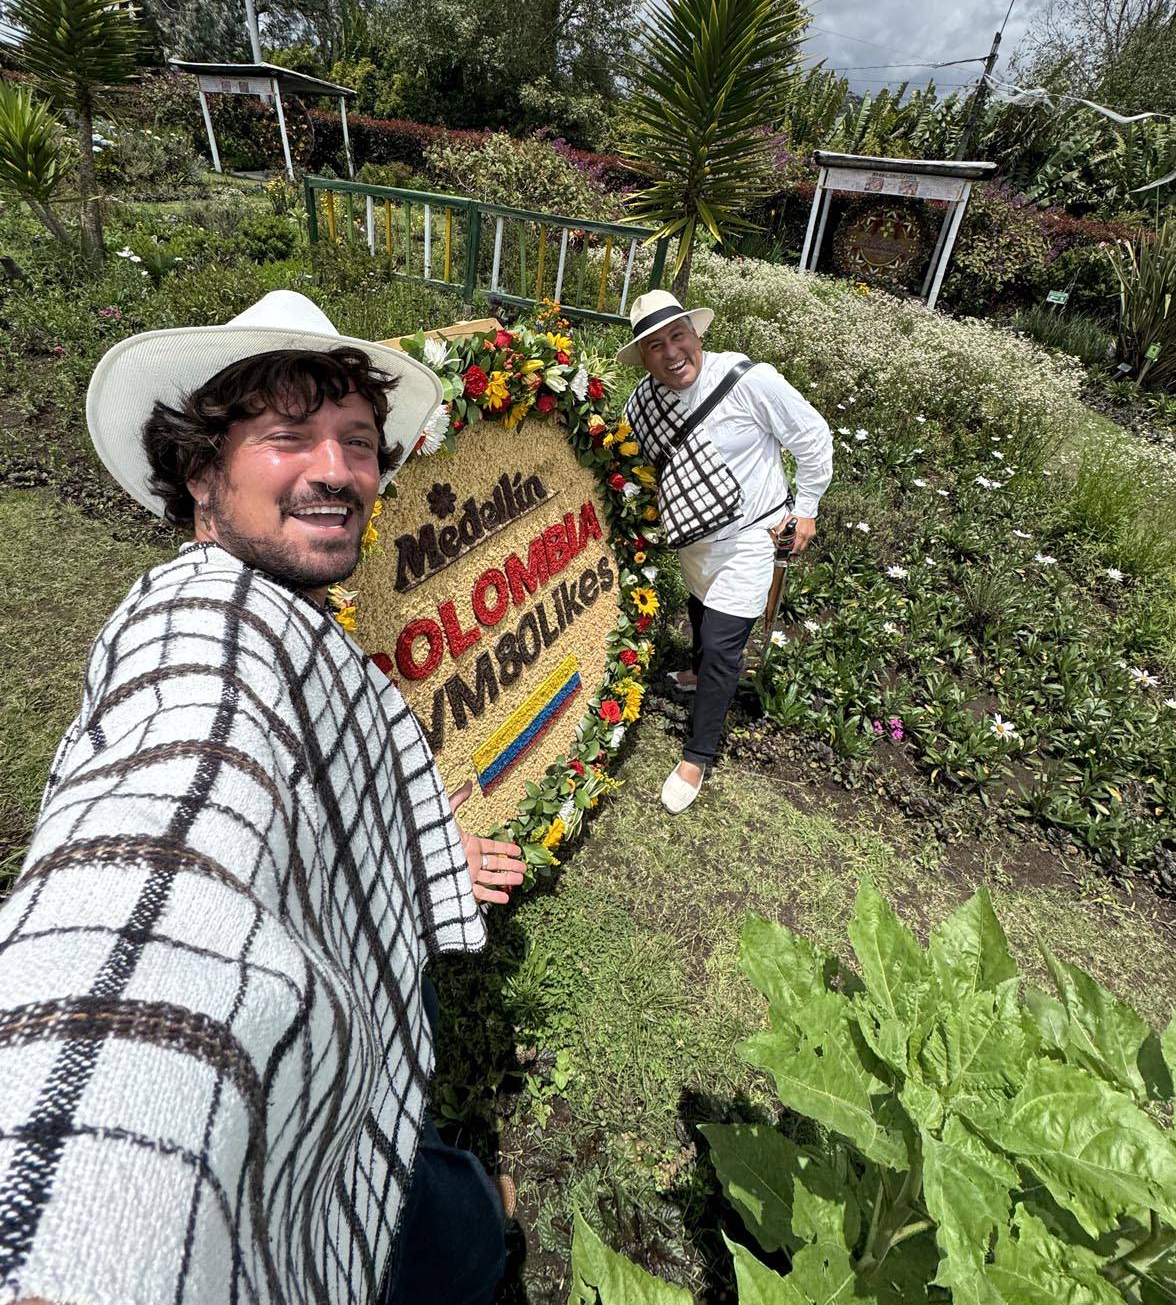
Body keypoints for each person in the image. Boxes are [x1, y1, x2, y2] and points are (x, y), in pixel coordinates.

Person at [0, 290, 524, 1305]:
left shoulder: (278, 611)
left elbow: (302, 790)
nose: (338, 470)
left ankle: (464, 1215)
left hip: (320, 1024)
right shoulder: (202, 629)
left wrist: (413, 851)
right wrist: (70, 1220)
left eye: (360, 441)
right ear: (200, 468)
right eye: (288, 437)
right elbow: (149, 875)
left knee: (366, 1165)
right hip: (242, 1078)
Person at [620, 289, 833, 815]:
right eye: (654, 346)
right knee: (699, 610)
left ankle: (696, 755)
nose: (671, 354)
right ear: (643, 358)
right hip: (695, 540)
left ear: (696, 334)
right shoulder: (642, 404)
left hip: (751, 538)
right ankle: (695, 674)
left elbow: (812, 436)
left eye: (678, 336)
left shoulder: (747, 381)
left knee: (721, 645)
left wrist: (805, 508)